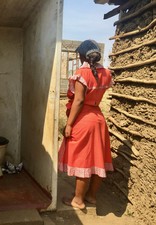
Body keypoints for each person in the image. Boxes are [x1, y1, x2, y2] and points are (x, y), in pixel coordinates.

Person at [58, 39, 114, 209]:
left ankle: (78, 200)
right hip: (98, 118)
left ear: (82, 55)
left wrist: (68, 124)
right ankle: (91, 196)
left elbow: (79, 100)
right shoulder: (106, 73)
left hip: (84, 119)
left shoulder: (82, 73)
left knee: (83, 159)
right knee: (98, 157)